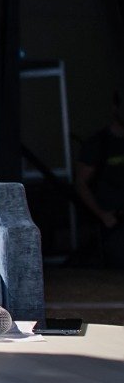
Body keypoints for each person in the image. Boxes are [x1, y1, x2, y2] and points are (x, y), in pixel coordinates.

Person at [75, 91, 124, 266]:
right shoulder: (99, 143)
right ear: (115, 108)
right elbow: (81, 184)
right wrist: (104, 215)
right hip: (115, 226)